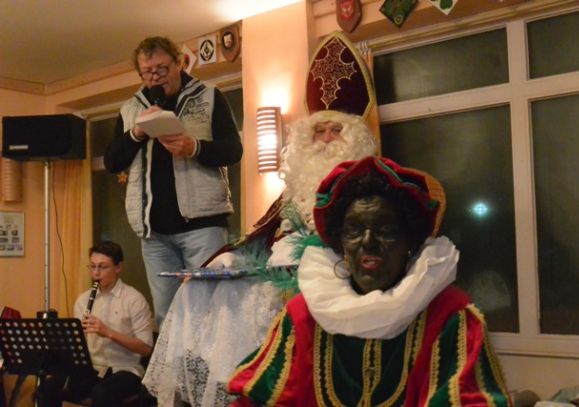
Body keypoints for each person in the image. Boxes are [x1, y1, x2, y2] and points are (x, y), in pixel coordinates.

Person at [228, 156, 512, 406]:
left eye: (385, 229)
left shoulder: (449, 316)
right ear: (340, 242)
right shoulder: (303, 316)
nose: (368, 242)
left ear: (410, 241)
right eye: (354, 230)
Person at [142, 110, 378, 406]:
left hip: (329, 272)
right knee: (196, 289)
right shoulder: (294, 192)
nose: (327, 139)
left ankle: (253, 380)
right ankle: (226, 381)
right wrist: (227, 258)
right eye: (319, 131)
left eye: (336, 130)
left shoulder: (366, 186)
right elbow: (261, 235)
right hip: (275, 270)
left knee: (255, 296)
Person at [104, 36, 242, 328]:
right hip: (153, 232)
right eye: (147, 72)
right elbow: (112, 162)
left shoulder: (209, 97)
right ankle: (173, 361)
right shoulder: (130, 109)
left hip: (203, 227)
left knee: (210, 311)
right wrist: (137, 133)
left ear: (180, 62)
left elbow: (233, 150)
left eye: (162, 69)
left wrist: (195, 148)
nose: (155, 77)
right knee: (166, 317)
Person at [39, 241, 153, 407]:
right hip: (92, 368)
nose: (96, 273)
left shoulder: (134, 299)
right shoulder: (83, 300)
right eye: (92, 266)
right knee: (49, 387)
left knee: (102, 393)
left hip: (125, 369)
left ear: (118, 267)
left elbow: (146, 348)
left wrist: (108, 332)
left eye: (102, 267)